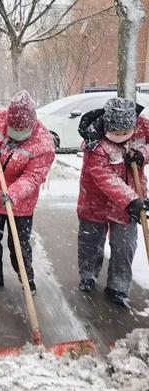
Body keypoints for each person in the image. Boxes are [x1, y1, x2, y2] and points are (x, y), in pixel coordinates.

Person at [0, 90, 55, 295]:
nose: (16, 131)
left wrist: (13, 194)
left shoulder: (43, 143)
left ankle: (26, 278)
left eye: (21, 128)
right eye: (13, 127)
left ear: (32, 124)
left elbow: (33, 177)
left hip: (20, 204)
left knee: (19, 246)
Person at [77, 97, 149, 308]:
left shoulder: (142, 127)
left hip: (128, 203)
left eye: (124, 133)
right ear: (107, 126)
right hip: (95, 201)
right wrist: (131, 200)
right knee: (90, 244)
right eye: (115, 133)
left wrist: (142, 155)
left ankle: (118, 287)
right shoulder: (94, 142)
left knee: (124, 246)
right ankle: (88, 275)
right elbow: (104, 177)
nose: (120, 137)